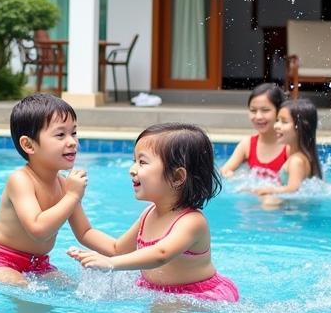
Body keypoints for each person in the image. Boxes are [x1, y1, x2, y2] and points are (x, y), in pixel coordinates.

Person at [68, 123, 239, 302]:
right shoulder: (149, 214)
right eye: (134, 161)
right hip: (157, 292)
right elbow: (116, 249)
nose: (132, 169)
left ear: (177, 177)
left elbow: (161, 254)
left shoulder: (192, 222)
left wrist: (110, 264)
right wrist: (73, 200)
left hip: (198, 296)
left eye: (142, 162)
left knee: (165, 310)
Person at [0, 92, 113, 286]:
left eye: (74, 133)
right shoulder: (20, 180)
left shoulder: (63, 185)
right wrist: (72, 195)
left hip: (37, 263)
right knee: (20, 285)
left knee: (71, 288)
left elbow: (85, 232)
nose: (72, 142)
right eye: (60, 134)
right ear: (29, 144)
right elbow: (38, 229)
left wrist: (124, 252)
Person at [254, 98, 323, 198]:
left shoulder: (296, 161)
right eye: (277, 120)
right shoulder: (297, 155)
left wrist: (270, 190)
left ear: (301, 127)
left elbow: (293, 189)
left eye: (284, 122)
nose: (276, 126)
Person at [220, 82, 287, 178]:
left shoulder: (289, 147)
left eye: (265, 110)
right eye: (253, 110)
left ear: (280, 111)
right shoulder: (247, 144)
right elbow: (224, 172)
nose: (258, 116)